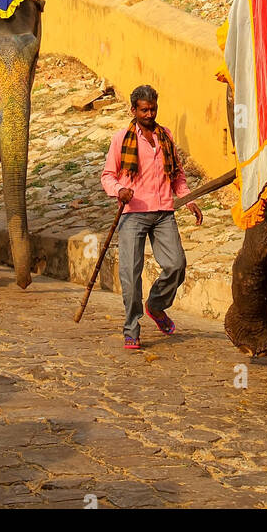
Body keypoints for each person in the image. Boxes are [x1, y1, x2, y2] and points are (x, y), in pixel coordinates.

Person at [101, 85, 203, 350]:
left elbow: (177, 175)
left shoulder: (165, 136)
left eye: (153, 108)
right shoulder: (121, 138)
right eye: (144, 109)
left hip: (163, 212)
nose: (149, 113)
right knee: (130, 275)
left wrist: (189, 199)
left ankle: (156, 306)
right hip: (133, 213)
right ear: (133, 110)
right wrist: (118, 190)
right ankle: (131, 329)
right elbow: (107, 176)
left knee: (177, 265)